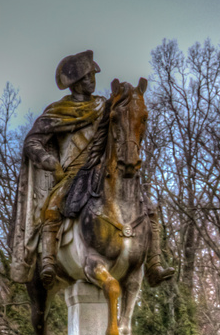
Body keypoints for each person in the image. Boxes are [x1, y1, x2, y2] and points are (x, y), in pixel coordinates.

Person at [11, 50, 173, 288]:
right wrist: (48, 161)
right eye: (87, 77)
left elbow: (125, 119)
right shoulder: (58, 111)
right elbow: (32, 142)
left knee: (148, 208)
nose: (93, 80)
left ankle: (154, 265)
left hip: (103, 169)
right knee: (53, 205)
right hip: (72, 172)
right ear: (75, 83)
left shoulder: (103, 106)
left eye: (93, 75)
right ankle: (48, 259)